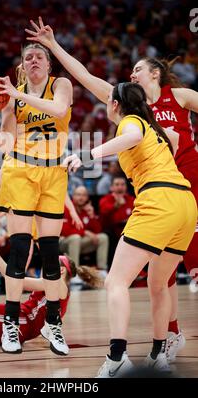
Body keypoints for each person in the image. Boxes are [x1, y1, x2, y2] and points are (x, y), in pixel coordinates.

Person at [26, 18, 198, 362]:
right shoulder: (130, 103)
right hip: (164, 191)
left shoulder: (175, 97)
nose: (131, 74)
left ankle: (127, 354)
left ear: (155, 73)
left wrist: (89, 153)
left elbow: (147, 138)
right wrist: (54, 46)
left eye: (137, 69)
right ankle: (168, 337)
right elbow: (85, 77)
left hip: (185, 182)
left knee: (167, 271)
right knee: (161, 276)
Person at [64, 82, 196, 377]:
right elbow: (171, 140)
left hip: (159, 200)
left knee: (116, 281)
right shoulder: (156, 129)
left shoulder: (132, 122)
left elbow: (133, 135)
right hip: (185, 204)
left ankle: (117, 358)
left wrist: (87, 155)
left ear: (114, 104)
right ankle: (157, 355)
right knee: (158, 284)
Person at [0, 42, 73, 355]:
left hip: (53, 174)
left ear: (48, 64)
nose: (33, 61)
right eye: (27, 57)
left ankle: (53, 323)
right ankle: (10, 325)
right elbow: (4, 144)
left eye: (38, 56)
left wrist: (16, 95)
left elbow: (58, 110)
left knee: (51, 253)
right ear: (23, 66)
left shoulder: (61, 85)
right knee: (19, 251)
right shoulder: (11, 100)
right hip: (21, 172)